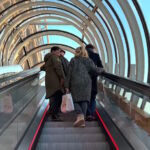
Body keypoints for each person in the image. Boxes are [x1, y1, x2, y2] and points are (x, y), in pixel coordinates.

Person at [64, 46, 104, 127]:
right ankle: (82, 120)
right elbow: (94, 70)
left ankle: (80, 115)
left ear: (76, 52)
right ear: (84, 52)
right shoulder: (89, 60)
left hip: (75, 82)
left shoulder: (73, 60)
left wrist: (66, 86)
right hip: (86, 83)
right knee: (84, 100)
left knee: (75, 100)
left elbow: (69, 74)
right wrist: (102, 69)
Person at [40, 46, 65, 120]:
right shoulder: (54, 57)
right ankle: (55, 115)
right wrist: (62, 77)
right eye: (58, 51)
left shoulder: (48, 59)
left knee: (53, 97)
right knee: (58, 97)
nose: (59, 53)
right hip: (56, 81)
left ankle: (52, 113)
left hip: (49, 81)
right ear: (53, 51)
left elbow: (42, 68)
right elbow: (58, 68)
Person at [85, 44, 103, 121]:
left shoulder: (83, 56)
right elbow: (100, 67)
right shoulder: (96, 55)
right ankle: (91, 114)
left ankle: (87, 114)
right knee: (92, 97)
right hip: (93, 79)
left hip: (84, 79)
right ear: (93, 48)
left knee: (85, 97)